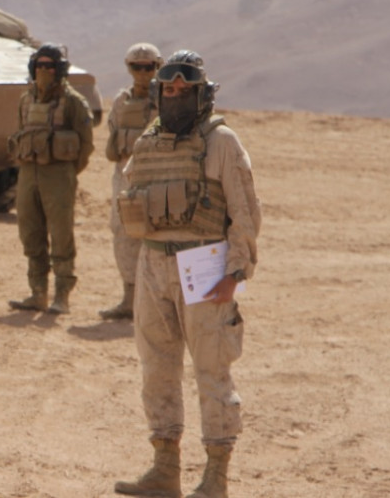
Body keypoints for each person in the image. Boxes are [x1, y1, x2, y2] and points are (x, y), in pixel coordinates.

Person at [114, 50, 261, 498]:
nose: (175, 95)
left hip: (205, 265)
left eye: (184, 89)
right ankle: (164, 468)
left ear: (201, 94)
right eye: (168, 89)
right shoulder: (148, 140)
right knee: (156, 368)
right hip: (154, 264)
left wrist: (235, 272)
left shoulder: (221, 143)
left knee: (212, 370)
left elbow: (245, 213)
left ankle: (215, 477)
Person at [7, 43, 94, 314]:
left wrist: (67, 173)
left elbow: (85, 145)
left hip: (58, 175)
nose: (44, 71)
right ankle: (37, 292)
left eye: (50, 66)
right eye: (40, 66)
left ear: (60, 70)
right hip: (28, 174)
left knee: (60, 235)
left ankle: (62, 295)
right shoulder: (25, 100)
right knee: (30, 232)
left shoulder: (74, 102)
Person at [99, 42, 163, 321]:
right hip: (124, 177)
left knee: (156, 235)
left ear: (157, 67)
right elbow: (113, 134)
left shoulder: (167, 101)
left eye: (148, 67)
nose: (142, 73)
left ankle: (156, 300)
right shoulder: (121, 100)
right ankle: (130, 296)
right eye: (136, 67)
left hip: (155, 178)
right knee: (123, 233)